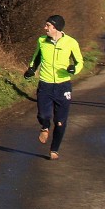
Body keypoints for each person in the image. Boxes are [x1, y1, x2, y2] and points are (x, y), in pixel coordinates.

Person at [23, 14, 84, 160]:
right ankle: (44, 127)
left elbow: (79, 62)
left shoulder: (71, 42)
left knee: (60, 121)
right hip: (45, 83)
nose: (45, 28)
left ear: (56, 28)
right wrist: (31, 69)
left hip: (63, 85)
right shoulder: (42, 41)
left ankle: (54, 149)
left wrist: (73, 69)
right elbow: (36, 58)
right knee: (43, 115)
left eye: (48, 26)